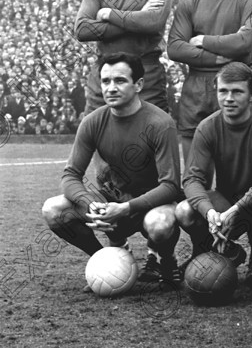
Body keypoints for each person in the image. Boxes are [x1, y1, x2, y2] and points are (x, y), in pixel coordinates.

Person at [41, 53, 182, 285]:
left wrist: (125, 208)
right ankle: (107, 259)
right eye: (106, 81)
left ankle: (166, 259)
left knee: (160, 224)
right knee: (53, 210)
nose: (111, 88)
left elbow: (171, 186)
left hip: (151, 205)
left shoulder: (161, 123)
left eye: (120, 80)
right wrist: (91, 204)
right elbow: (70, 175)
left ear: (138, 85)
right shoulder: (92, 121)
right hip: (110, 202)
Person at [175, 62, 252, 283]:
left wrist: (237, 209)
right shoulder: (207, 127)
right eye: (223, 91)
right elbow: (191, 179)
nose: (228, 98)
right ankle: (212, 252)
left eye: (237, 91)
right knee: (184, 210)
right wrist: (209, 213)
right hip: (226, 203)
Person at [167, 0, 252, 165]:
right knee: (195, 174)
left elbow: (245, 42)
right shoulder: (188, 2)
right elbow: (174, 48)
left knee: (244, 174)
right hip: (196, 89)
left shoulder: (251, 0)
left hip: (237, 85)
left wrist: (203, 40)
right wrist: (220, 58)